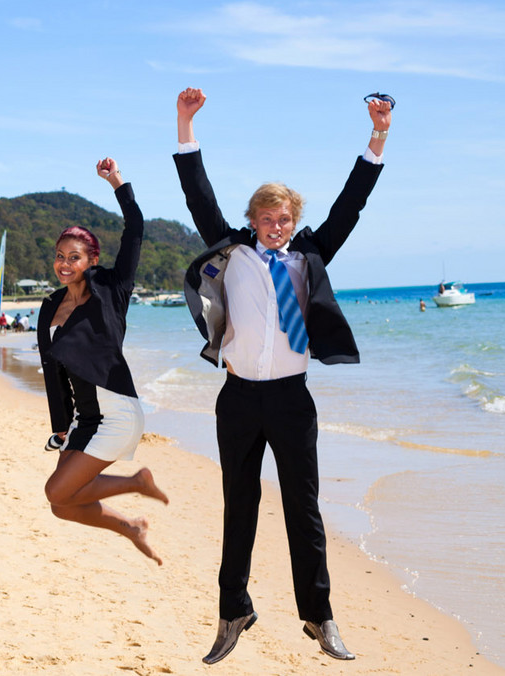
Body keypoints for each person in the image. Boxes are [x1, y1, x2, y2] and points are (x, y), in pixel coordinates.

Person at [173, 87, 391, 664]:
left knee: (305, 509)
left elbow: (351, 204)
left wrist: (377, 137)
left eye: (284, 219)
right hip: (238, 400)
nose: (275, 226)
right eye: (267, 218)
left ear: (294, 223)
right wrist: (185, 123)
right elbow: (198, 196)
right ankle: (231, 612)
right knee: (237, 506)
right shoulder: (233, 251)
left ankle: (319, 617)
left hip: (293, 401)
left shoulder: (309, 255)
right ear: (252, 220)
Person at [36, 158, 170, 566]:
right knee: (62, 504)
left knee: (56, 492)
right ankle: (131, 527)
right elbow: (53, 374)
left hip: (116, 411)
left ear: (91, 260)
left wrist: (117, 183)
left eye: (74, 257)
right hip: (84, 418)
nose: (64, 264)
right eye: (60, 256)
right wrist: (60, 427)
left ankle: (136, 481)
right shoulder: (49, 306)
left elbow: (135, 227)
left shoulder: (112, 288)